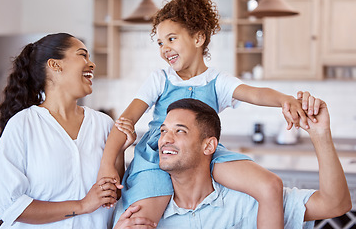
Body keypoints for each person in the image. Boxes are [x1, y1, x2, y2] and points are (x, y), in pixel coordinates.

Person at [98, 0, 319, 228]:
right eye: (160, 42)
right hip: (156, 156)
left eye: (171, 39)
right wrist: (107, 165)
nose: (164, 48)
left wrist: (286, 100)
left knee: (269, 185)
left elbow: (255, 93)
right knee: (140, 221)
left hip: (203, 154)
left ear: (198, 38)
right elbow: (125, 122)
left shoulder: (217, 81)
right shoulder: (160, 79)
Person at [113, 97, 351, 228]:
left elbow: (335, 204)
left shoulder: (250, 203)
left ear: (209, 146)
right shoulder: (140, 213)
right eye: (163, 130)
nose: (165, 139)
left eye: (180, 131)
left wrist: (320, 135)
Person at [0, 33, 151, 229]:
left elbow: (111, 197)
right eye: (82, 55)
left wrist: (118, 150)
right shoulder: (23, 125)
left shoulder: (103, 124)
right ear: (55, 65)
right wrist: (83, 205)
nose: (91, 64)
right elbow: (11, 207)